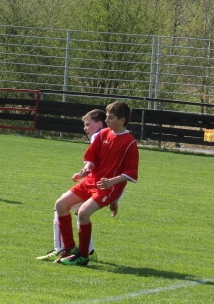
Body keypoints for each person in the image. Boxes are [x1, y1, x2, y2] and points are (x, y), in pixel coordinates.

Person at [53, 101, 139, 266]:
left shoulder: (129, 143)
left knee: (84, 213)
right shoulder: (103, 134)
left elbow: (131, 174)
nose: (107, 120)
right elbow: (92, 158)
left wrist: (110, 182)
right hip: (91, 181)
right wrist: (87, 168)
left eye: (111, 117)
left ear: (122, 120)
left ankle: (83, 256)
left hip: (109, 188)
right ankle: (69, 249)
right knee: (61, 204)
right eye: (106, 116)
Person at [37, 109, 111, 261]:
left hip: (101, 186)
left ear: (99, 124)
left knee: (61, 206)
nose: (85, 128)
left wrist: (86, 172)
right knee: (75, 210)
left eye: (87, 124)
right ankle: (87, 251)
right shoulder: (106, 136)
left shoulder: (99, 136)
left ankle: (63, 248)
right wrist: (84, 172)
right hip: (98, 184)